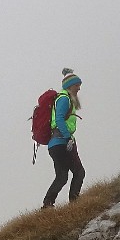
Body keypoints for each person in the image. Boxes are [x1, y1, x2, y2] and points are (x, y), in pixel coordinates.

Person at [42, 68, 85, 208]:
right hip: (62, 142)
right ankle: (74, 204)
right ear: (69, 86)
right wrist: (68, 138)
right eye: (77, 84)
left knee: (62, 177)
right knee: (79, 172)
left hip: (55, 143)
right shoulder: (64, 98)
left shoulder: (63, 98)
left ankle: (47, 204)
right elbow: (59, 119)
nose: (79, 87)